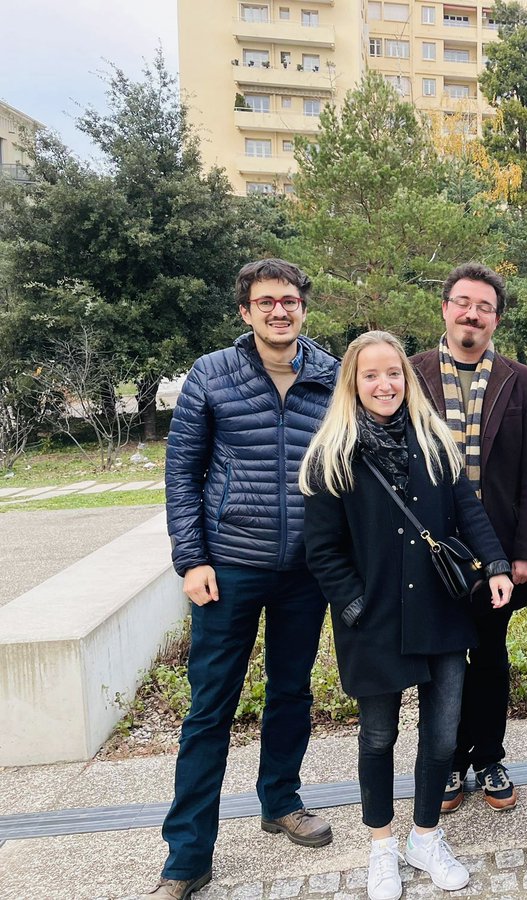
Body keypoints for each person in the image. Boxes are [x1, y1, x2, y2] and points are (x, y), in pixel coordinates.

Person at [146, 259, 338, 900]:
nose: (278, 311)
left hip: (304, 571)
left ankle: (280, 800)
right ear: (245, 311)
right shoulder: (212, 375)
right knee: (209, 709)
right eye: (265, 302)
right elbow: (183, 474)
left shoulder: (331, 376)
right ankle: (187, 855)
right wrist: (191, 558)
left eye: (289, 300)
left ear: (303, 308)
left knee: (292, 692)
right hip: (228, 565)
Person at [302, 331, 514, 899]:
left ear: (407, 377)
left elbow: (468, 510)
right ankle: (381, 847)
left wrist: (494, 562)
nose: (383, 384)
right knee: (377, 738)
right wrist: (351, 603)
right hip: (372, 621)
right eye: (370, 375)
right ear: (353, 382)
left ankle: (425, 837)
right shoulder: (333, 453)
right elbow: (321, 548)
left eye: (392, 373)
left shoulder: (434, 441)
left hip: (440, 611)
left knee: (442, 738)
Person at [410, 263, 527, 813]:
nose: (472, 314)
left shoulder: (520, 381)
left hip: (498, 553)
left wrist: (525, 553)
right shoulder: (412, 373)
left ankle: (489, 756)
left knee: (490, 657)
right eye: (463, 302)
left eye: (485, 307)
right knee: (441, 661)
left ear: (497, 318)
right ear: (445, 307)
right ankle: (444, 761)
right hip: (432, 550)